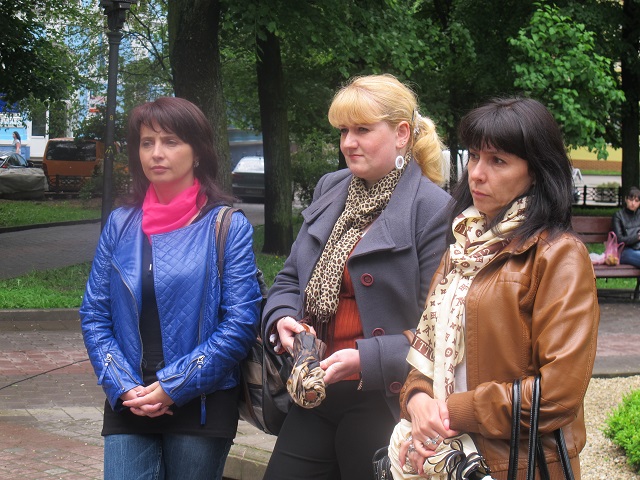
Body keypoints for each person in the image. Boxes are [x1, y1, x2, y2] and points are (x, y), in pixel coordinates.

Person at [392, 97, 600, 479]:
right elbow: (426, 353)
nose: (476, 173)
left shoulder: (558, 256)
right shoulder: (462, 249)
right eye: (474, 156)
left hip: (516, 465)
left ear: (536, 171)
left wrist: (452, 411)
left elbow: (558, 394)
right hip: (447, 458)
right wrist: (419, 400)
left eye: (498, 161)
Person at [261, 73, 452, 480]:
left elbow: (438, 330)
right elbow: (290, 278)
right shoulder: (331, 187)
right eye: (344, 131)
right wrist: (281, 319)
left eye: (363, 130)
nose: (348, 142)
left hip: (385, 396)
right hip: (314, 388)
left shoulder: (433, 208)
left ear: (401, 134)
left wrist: (366, 359)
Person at [80, 97, 262, 480]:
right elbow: (95, 314)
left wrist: (174, 385)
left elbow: (240, 323)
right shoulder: (120, 224)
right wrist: (122, 384)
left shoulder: (227, 226)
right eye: (147, 142)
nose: (156, 153)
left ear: (198, 152)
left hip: (202, 400)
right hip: (130, 397)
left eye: (170, 141)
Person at [612, 186, 640, 267]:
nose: (633, 203)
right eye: (631, 200)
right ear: (626, 199)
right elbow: (619, 240)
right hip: (625, 251)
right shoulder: (618, 216)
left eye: (636, 201)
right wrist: (637, 237)